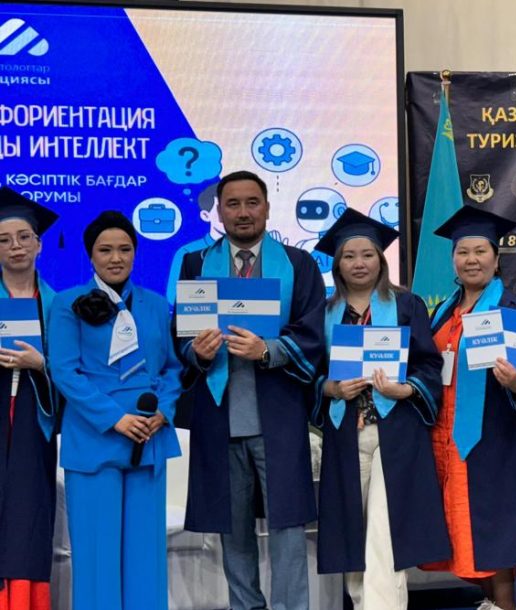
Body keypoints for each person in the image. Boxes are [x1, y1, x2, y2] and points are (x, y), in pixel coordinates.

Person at [177, 170, 325, 610]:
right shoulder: (196, 264)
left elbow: (313, 332)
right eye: (233, 204)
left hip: (278, 413)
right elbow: (180, 333)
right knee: (233, 528)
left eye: (251, 202)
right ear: (219, 212)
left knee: (287, 526)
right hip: (219, 412)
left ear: (267, 207)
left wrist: (268, 349)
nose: (243, 212)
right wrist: (197, 352)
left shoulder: (298, 264)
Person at [313, 209, 451, 609]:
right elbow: (308, 374)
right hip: (344, 434)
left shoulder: (407, 305)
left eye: (367, 254)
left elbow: (429, 365)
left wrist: (404, 388)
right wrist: (331, 388)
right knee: (352, 535)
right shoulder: (323, 313)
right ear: (337, 264)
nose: (359, 263)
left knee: (383, 533)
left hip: (396, 433)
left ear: (381, 259)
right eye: (349, 256)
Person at [47, 211, 182, 609]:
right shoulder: (67, 304)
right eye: (105, 250)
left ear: (135, 254)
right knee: (97, 557)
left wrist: (165, 411)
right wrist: (115, 419)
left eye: (124, 249)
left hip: (149, 438)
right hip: (95, 439)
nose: (116, 258)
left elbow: (172, 368)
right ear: (91, 255)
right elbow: (64, 371)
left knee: (146, 556)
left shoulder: (155, 304)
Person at [421, 205, 516, 610]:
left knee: (493, 527)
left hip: (492, 437)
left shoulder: (513, 309)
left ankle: (505, 606)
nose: (472, 260)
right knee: (463, 528)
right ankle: (488, 604)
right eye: (463, 252)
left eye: (480, 251)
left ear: (496, 258)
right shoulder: (442, 311)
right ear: (453, 259)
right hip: (445, 435)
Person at [0, 188, 59, 610]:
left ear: (38, 244)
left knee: (26, 514)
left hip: (32, 421)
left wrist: (42, 364)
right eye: (4, 240)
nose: (15, 246)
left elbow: (74, 370)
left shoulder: (59, 305)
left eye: (24, 237)